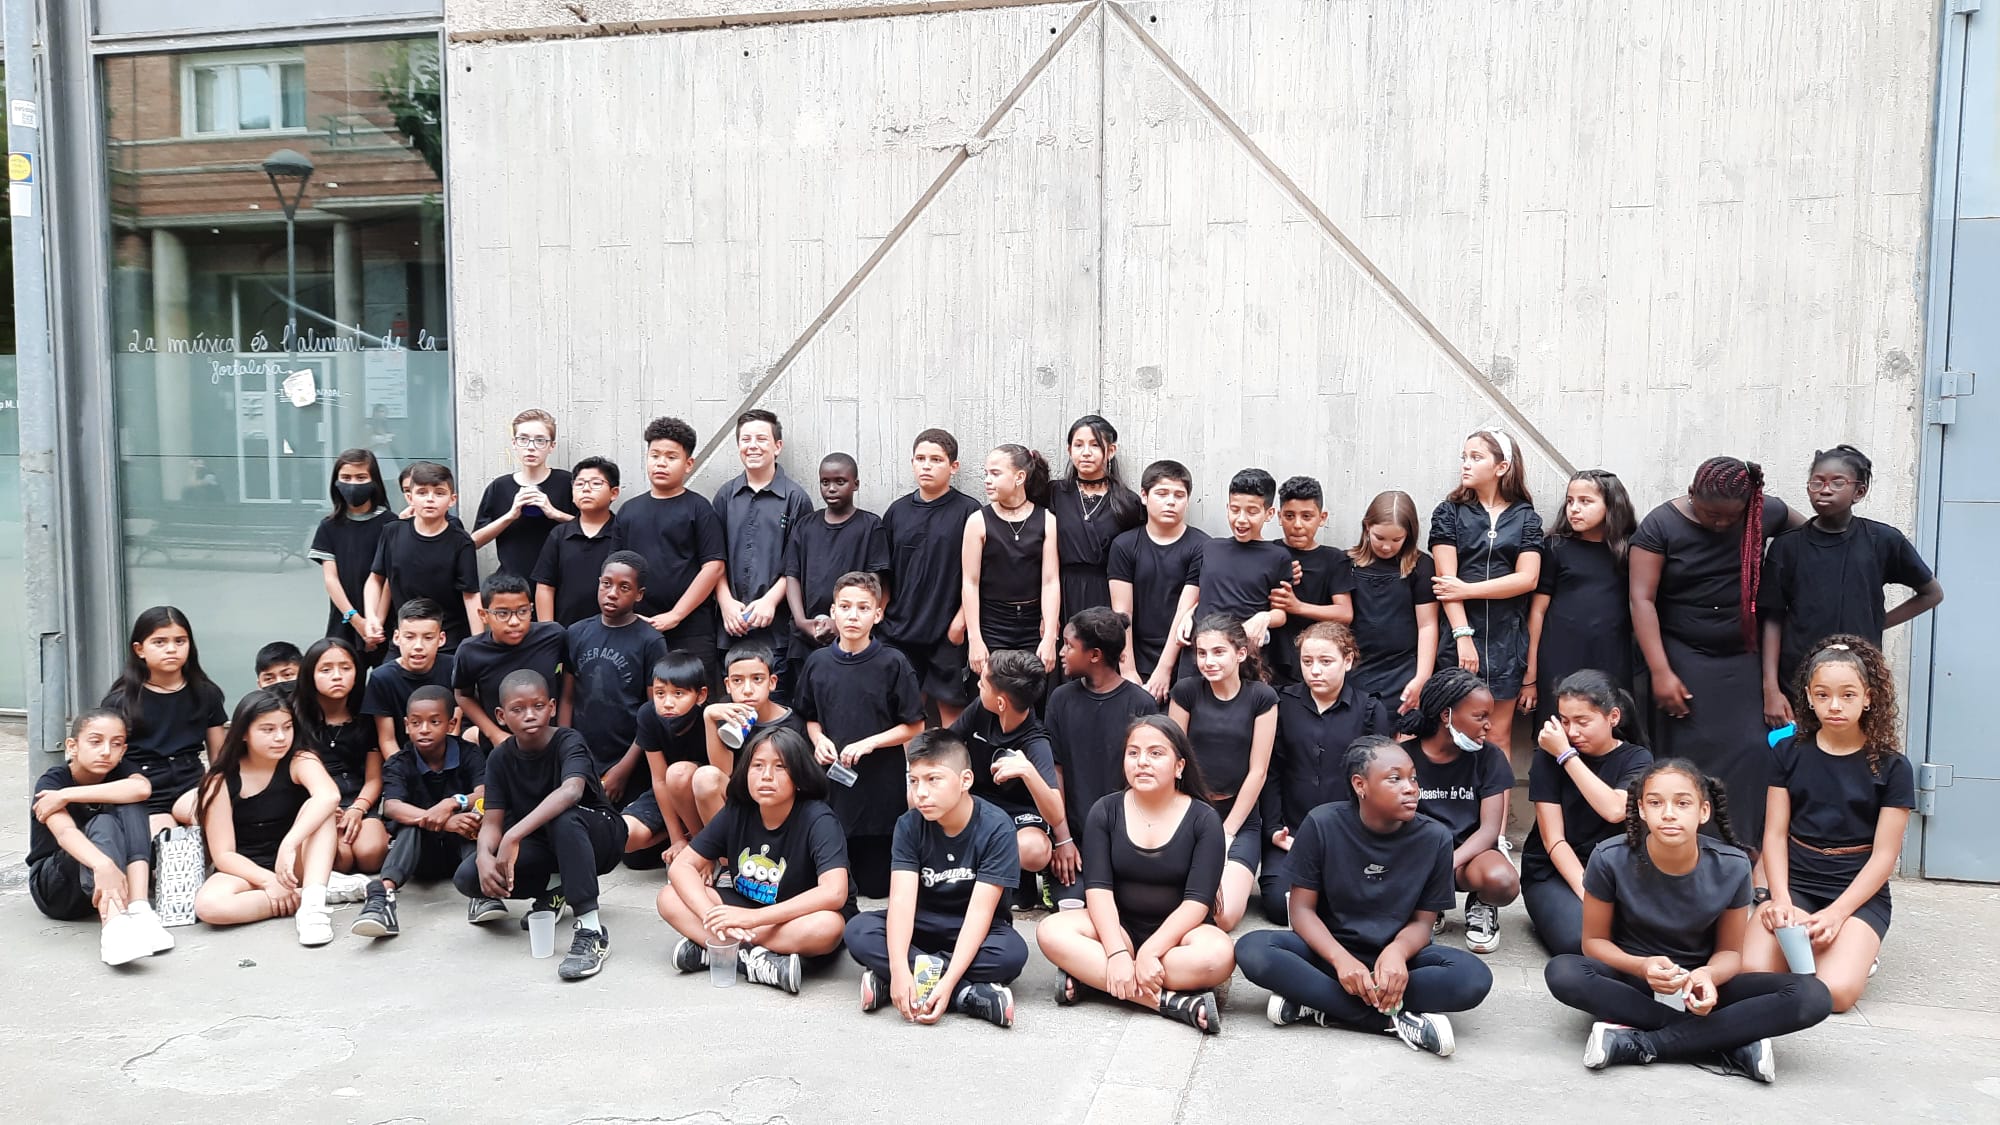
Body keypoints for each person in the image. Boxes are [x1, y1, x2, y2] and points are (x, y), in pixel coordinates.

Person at [1543, 760, 1832, 1082]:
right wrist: (1642, 967)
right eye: (1656, 803)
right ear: (1641, 810)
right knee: (1563, 972)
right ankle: (1726, 1041)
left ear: (1703, 811)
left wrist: (1707, 975)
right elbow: (1594, 943)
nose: (1669, 813)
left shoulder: (1733, 866)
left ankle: (1644, 1044)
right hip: (1634, 982)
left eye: (1682, 803)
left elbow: (1730, 953)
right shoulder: (1609, 858)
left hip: (1702, 985)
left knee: (1812, 995)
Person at [1235, 736, 1491, 1055]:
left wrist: (1397, 952)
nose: (1411, 788)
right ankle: (1393, 1020)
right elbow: (1301, 911)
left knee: (1473, 978)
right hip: (1329, 954)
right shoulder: (1322, 824)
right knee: (1253, 949)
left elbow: (1423, 923)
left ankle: (1317, 1002)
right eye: (1395, 779)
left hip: (1398, 963)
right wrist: (1341, 959)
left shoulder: (1436, 839)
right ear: (1360, 785)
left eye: (1413, 778)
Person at [1630, 456, 1805, 842]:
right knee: (1689, 754)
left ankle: (1741, 848)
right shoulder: (1661, 525)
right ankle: (1688, 847)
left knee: (1753, 749)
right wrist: (1661, 672)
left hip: (1744, 655)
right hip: (1683, 654)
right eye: (1712, 515)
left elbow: (1811, 537)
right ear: (1692, 494)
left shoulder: (1764, 512)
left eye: (1731, 517)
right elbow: (1641, 600)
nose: (1722, 524)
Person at [1744, 637, 1913, 1012]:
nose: (1834, 705)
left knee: (1833, 994)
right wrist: (1780, 899)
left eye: (1847, 695)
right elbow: (1775, 834)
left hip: (1856, 892)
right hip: (1796, 882)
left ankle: (1854, 949)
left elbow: (1884, 856)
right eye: (1822, 695)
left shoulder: (1893, 766)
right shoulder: (1787, 752)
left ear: (1867, 698)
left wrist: (1837, 914)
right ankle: (1812, 947)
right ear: (1808, 696)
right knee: (1752, 976)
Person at [1036, 716, 1233, 1033]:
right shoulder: (1105, 811)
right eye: (1133, 753)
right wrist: (1116, 952)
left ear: (1179, 766)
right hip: (1118, 928)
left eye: (1156, 753)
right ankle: (1170, 1002)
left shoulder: (1204, 819)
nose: (1142, 762)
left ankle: (1096, 979)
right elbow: (1098, 891)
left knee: (1219, 956)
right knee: (1050, 931)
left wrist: (1151, 952)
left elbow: (1197, 903)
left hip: (1179, 937)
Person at [842, 730, 1027, 1028]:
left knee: (1012, 954)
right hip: (921, 926)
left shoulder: (997, 828)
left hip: (976, 930)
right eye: (914, 781)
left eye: (933, 779)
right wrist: (899, 970)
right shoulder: (909, 825)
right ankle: (967, 995)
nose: (921, 793)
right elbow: (901, 902)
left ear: (965, 780)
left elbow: (980, 913)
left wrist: (947, 980)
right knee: (858, 930)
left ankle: (898, 983)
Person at [458, 670, 628, 980]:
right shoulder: (499, 758)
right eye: (518, 709)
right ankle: (555, 888)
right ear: (501, 716)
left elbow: (572, 791)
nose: (529, 715)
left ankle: (591, 930)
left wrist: (513, 835)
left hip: (598, 837)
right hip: (548, 845)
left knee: (564, 817)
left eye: (538, 706)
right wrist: (483, 855)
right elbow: (492, 821)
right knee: (469, 876)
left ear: (551, 707)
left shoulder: (568, 740)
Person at [1758, 445, 1943, 726]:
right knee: (1802, 749)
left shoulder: (1883, 540)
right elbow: (1772, 619)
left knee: (1854, 748)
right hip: (1797, 680)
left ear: (1860, 491)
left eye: (1837, 482)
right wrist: (1770, 689)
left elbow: (1931, 593)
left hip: (1858, 677)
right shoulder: (1787, 546)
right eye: (1817, 482)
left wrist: (1878, 622)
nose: (1824, 490)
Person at [661, 727, 854, 993]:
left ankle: (718, 949)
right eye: (758, 765)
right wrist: (710, 916)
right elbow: (683, 866)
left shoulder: (818, 819)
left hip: (796, 915)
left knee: (828, 927)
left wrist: (752, 920)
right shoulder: (738, 811)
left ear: (799, 776)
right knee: (669, 897)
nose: (766, 776)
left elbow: (834, 893)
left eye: (780, 767)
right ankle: (754, 959)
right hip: (746, 906)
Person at [193, 690, 369, 945]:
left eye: (287, 727)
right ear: (243, 733)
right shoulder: (220, 780)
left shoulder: (300, 759)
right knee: (210, 906)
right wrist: (269, 882)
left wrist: (289, 844)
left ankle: (313, 910)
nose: (280, 737)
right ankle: (311, 893)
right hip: (246, 868)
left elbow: (329, 795)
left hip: (298, 860)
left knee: (321, 809)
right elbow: (224, 854)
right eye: (268, 730)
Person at [795, 571, 926, 898]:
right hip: (832, 792)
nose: (853, 615)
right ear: (833, 611)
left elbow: (915, 725)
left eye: (863, 608)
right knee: (831, 882)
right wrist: (818, 739)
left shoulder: (893, 663)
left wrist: (871, 743)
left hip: (880, 797)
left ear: (877, 614)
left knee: (876, 889)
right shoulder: (817, 663)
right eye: (845, 607)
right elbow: (808, 716)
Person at [1259, 622, 1391, 924]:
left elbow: (1378, 782)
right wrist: (1274, 829)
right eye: (1307, 662)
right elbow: (1272, 771)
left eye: (1325, 661)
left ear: (1348, 660)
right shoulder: (1282, 703)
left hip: (1350, 834)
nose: (1315, 671)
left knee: (1360, 901)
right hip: (1292, 832)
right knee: (1280, 905)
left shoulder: (1370, 709)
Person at [27, 709, 177, 964]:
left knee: (132, 801)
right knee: (104, 823)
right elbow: (65, 832)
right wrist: (102, 865)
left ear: (124, 749)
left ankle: (139, 909)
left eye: (116, 744)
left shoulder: (119, 772)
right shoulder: (53, 782)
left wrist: (67, 796)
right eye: (95, 742)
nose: (106, 751)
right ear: (73, 746)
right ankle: (114, 928)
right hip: (58, 888)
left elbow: (141, 788)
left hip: (113, 882)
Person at [1522, 670, 1653, 956]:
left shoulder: (1637, 758)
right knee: (1581, 942)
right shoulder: (1547, 756)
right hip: (1554, 872)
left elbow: (1615, 810)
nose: (1571, 732)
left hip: (1613, 871)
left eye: (1583, 722)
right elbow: (1553, 840)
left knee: (1646, 937)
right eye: (1565, 721)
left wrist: (1567, 757)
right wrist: (1589, 895)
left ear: (1613, 717)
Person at [1430, 429, 1542, 761]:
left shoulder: (1526, 518)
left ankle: (1498, 798)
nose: (1466, 464)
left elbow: (1527, 578)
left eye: (1476, 457)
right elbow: (1446, 582)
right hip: (1459, 638)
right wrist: (1463, 635)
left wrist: (1468, 589)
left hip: (1508, 644)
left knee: (1497, 736)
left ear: (1502, 466)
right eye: (1464, 457)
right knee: (1454, 733)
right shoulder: (1449, 513)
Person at [1168, 614, 1279, 929]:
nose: (1208, 661)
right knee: (1169, 900)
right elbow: (1174, 761)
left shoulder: (1261, 697)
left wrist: (1226, 833)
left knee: (1225, 914)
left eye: (1218, 652)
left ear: (1240, 653)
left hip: (1239, 820)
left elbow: (1258, 772)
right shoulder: (1186, 691)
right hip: (1190, 812)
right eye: (1202, 653)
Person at [351, 686, 487, 938]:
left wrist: (452, 803)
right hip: (418, 857)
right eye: (416, 723)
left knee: (471, 822)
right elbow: (392, 806)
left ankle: (482, 893)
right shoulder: (399, 762)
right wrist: (443, 822)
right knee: (409, 826)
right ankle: (383, 896)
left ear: (451, 724)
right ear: (406, 725)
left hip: (462, 852)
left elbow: (483, 792)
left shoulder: (469, 753)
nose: (424, 729)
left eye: (434, 722)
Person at [1399, 668, 1518, 953]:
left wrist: (1445, 863)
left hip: (1468, 858)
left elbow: (1489, 830)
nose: (1488, 725)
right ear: (1446, 715)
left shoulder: (1490, 757)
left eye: (1489, 716)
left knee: (1502, 881)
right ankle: (1430, 905)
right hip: (1417, 857)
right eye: (1480, 716)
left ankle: (1481, 903)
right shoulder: (1404, 756)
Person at [1045, 607, 1158, 907]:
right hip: (1076, 839)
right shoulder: (1060, 699)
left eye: (1069, 645)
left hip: (1128, 839)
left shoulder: (1141, 704)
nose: (1062, 652)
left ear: (1094, 655)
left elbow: (1150, 781)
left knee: (1133, 904)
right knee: (1073, 902)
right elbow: (1055, 771)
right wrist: (1063, 839)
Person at [950, 650, 1070, 909]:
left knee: (1034, 850)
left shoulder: (1036, 741)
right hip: (978, 804)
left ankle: (1016, 878)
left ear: (1001, 702)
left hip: (1020, 815)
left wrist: (1027, 771)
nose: (978, 687)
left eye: (983, 684)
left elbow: (1056, 814)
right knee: (921, 794)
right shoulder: (980, 709)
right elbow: (947, 743)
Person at [880, 428, 983, 725]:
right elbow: (884, 573)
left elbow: (980, 576)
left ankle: (957, 757)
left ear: (954, 466)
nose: (926, 466)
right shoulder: (897, 512)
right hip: (901, 630)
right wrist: (882, 614)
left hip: (947, 631)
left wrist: (961, 621)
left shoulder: (970, 512)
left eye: (936, 460)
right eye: (920, 458)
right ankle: (911, 761)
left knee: (952, 710)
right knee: (906, 712)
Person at [616, 416, 728, 684]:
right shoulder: (629, 511)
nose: (661, 463)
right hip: (637, 627)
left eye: (671, 457)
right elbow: (617, 568)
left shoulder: (699, 509)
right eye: (654, 455)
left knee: (693, 696)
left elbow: (714, 567)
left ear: (688, 464)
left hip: (692, 630)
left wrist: (675, 616)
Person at [1524, 469, 1637, 727]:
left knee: (1609, 730)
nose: (1574, 509)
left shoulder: (1629, 551)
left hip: (1612, 657)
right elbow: (1537, 611)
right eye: (1570, 501)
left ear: (1612, 505)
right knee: (1557, 729)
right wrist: (1530, 676)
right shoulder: (1555, 548)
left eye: (1585, 501)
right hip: (1559, 658)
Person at [712, 409, 816, 689]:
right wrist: (726, 602)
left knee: (775, 705)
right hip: (730, 628)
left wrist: (770, 600)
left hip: (776, 631)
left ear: (777, 446)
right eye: (746, 439)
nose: (753, 446)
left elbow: (799, 562)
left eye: (761, 439)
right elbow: (714, 557)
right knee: (734, 708)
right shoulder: (725, 496)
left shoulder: (796, 499)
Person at [102, 606, 228, 831]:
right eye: (159, 642)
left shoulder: (206, 693)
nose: (171, 649)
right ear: (139, 649)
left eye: (180, 641)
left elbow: (219, 756)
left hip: (191, 784)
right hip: (144, 788)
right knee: (164, 841)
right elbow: (109, 758)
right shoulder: (120, 701)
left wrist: (217, 788)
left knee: (215, 820)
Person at [565, 551, 669, 802]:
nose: (612, 593)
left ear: (639, 594)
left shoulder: (650, 641)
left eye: (624, 587)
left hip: (628, 760)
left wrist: (624, 769)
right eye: (606, 584)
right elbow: (567, 698)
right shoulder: (576, 633)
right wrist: (567, 752)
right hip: (580, 757)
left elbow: (653, 710)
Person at [783, 452, 891, 674]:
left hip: (853, 635)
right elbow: (792, 575)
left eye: (840, 482)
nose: (831, 489)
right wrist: (802, 622)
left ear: (855, 484)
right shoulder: (805, 526)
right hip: (806, 637)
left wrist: (842, 621)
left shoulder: (870, 526)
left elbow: (875, 581)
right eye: (825, 482)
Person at [1107, 460, 1206, 699]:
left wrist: (1164, 670)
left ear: (1187, 500)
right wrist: (1127, 670)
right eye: (1162, 493)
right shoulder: (1124, 545)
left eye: (1179, 495)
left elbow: (1185, 608)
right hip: (1134, 651)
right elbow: (1122, 612)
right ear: (1144, 496)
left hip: (1184, 653)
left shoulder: (1202, 546)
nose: (1171, 501)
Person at [963, 444, 1061, 677]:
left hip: (1032, 624)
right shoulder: (978, 521)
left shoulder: (1047, 520)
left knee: (1032, 690)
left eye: (995, 473)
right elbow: (970, 582)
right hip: (992, 622)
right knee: (989, 690)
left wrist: (1049, 637)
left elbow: (1050, 581)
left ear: (1019, 477)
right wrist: (975, 639)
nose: (987, 480)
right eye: (986, 473)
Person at [294, 638, 390, 874]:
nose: (337, 676)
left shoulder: (367, 716)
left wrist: (358, 808)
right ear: (310, 675)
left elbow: (374, 778)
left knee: (370, 854)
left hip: (361, 802)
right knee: (340, 859)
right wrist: (326, 808)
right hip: (317, 804)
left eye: (345, 668)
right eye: (326, 670)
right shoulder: (296, 718)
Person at [367, 461, 482, 652]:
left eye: (439, 493)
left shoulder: (461, 542)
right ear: (410, 497)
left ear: (452, 499)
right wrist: (372, 617)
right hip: (405, 638)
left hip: (448, 640)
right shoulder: (392, 532)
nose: (430, 499)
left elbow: (471, 595)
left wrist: (478, 644)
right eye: (422, 492)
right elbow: (376, 579)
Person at [692, 641, 810, 825]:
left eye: (757, 679)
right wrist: (709, 719)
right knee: (704, 777)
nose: (747, 690)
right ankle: (723, 843)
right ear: (728, 685)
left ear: (772, 682)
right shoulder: (726, 712)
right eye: (737, 681)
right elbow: (723, 771)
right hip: (740, 800)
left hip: (778, 802)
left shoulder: (792, 723)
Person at [453, 572, 573, 746]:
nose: (514, 621)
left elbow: (569, 683)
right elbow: (463, 695)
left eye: (522, 611)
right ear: (484, 615)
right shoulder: (470, 652)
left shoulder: (553, 637)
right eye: (503, 613)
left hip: (549, 740)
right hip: (499, 745)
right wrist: (494, 734)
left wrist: (563, 732)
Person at [1345, 491, 1439, 712]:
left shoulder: (1421, 566)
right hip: (1354, 669)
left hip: (1403, 671)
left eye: (1397, 540)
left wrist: (1422, 677)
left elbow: (1427, 625)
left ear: (1409, 534)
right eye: (1379, 537)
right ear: (1367, 527)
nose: (1387, 547)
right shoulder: (1346, 563)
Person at [1047, 415, 1145, 627]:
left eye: (1095, 445)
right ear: (1069, 450)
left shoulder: (1128, 502)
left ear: (1111, 450)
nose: (1086, 452)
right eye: (1078, 445)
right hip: (1062, 592)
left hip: (1107, 593)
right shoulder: (1054, 493)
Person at [621, 652, 713, 863]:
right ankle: (684, 837)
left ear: (700, 695)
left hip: (703, 795)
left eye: (678, 693)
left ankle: (702, 848)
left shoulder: (709, 717)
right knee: (626, 837)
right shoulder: (648, 715)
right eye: (660, 693)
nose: (668, 702)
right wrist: (676, 838)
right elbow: (660, 780)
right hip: (668, 793)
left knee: (679, 773)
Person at [1266, 476, 1354, 687]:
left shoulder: (1334, 559)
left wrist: (1297, 606)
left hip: (1316, 666)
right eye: (1289, 516)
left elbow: (1345, 613)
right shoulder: (1267, 553)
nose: (1297, 525)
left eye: (1307, 516)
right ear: (1279, 516)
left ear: (1322, 518)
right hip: (1269, 661)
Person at [1192, 468, 1291, 654]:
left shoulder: (1278, 557)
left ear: (1269, 513)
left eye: (1252, 512)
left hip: (1244, 653)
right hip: (1201, 650)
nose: (1241, 519)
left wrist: (1264, 617)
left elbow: (1281, 613)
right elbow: (1197, 595)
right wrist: (1187, 616)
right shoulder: (1210, 548)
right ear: (1227, 508)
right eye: (1235, 510)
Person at [473, 407, 578, 580]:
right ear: (514, 443)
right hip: (512, 585)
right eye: (523, 439)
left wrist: (554, 513)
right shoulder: (500, 487)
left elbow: (593, 529)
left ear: (551, 446)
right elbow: (474, 542)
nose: (531, 447)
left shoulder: (568, 483)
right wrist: (510, 515)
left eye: (540, 440)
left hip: (560, 582)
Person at [312, 449, 395, 665]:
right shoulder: (329, 526)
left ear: (374, 480)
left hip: (386, 622)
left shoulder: (390, 523)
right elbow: (331, 580)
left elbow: (389, 578)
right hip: (344, 621)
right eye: (346, 478)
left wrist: (375, 623)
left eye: (361, 477)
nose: (353, 484)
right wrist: (357, 621)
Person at [359, 598, 456, 760]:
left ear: (441, 639)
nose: (418, 646)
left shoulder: (453, 667)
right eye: (410, 637)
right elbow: (387, 740)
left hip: (449, 756)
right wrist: (403, 770)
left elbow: (454, 729)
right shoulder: (382, 678)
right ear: (397, 638)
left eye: (428, 637)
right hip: (402, 760)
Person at [532, 456, 622, 626]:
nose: (586, 489)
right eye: (579, 484)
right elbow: (545, 586)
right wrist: (549, 631)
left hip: (614, 632)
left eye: (596, 483)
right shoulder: (559, 535)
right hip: (565, 631)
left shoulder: (623, 533)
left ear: (614, 493)